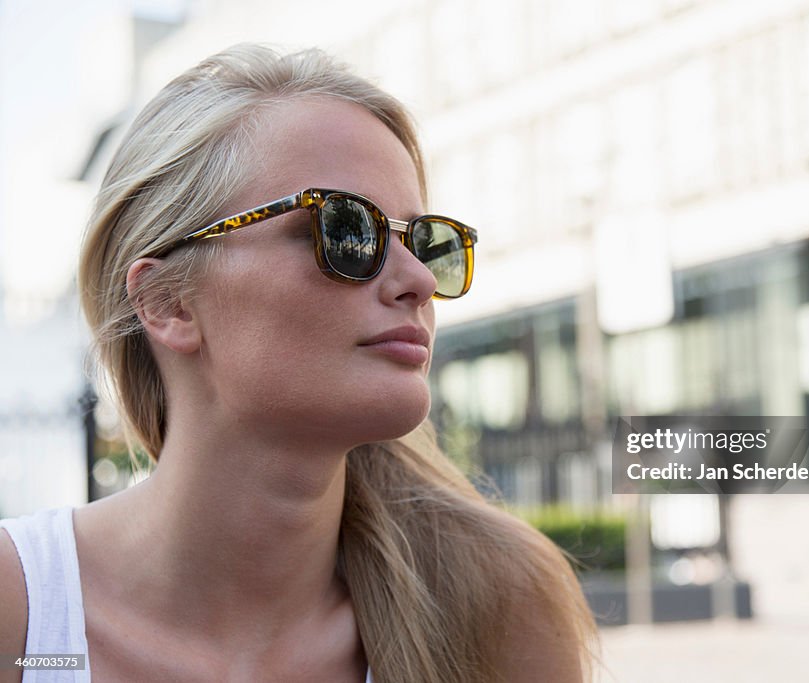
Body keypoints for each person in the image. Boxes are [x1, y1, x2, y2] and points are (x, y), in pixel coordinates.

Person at [0, 44, 597, 682]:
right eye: (344, 231)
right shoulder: (22, 614)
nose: (419, 280)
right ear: (166, 303)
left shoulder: (493, 606)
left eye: (426, 242)